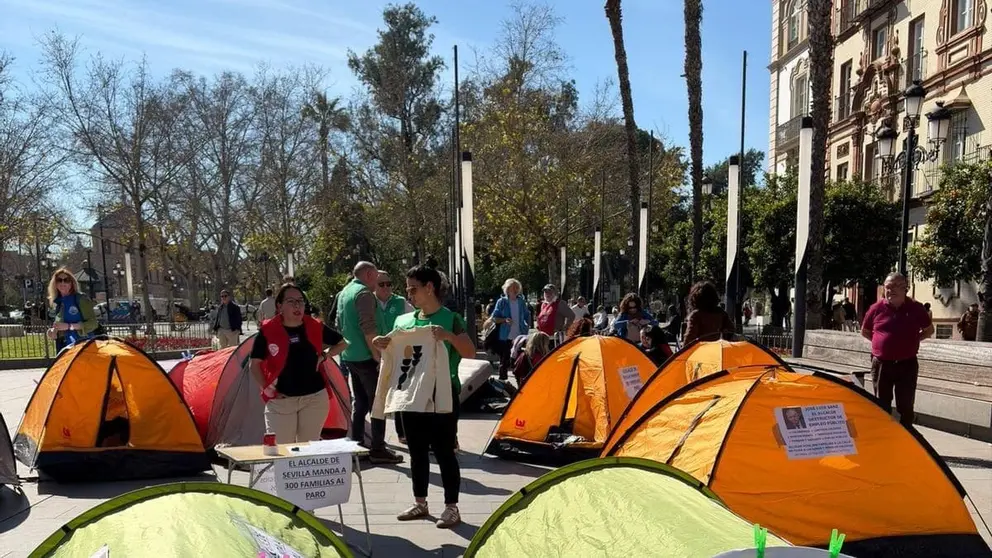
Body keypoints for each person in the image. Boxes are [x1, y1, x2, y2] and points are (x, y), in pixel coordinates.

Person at [372, 265, 475, 529]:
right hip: (410, 395)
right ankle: (420, 502)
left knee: (444, 452)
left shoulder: (450, 318)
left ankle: (451, 508)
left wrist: (448, 336)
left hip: (442, 395)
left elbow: (469, 352)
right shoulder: (403, 322)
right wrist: (381, 344)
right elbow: (393, 352)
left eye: (413, 289)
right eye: (407, 289)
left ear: (430, 287)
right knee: (416, 452)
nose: (409, 295)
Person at [249, 283, 348, 443]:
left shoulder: (315, 326)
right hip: (281, 401)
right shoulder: (268, 330)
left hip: (314, 399)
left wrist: (324, 356)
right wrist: (267, 389)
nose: (297, 306)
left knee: (307, 450)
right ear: (279, 306)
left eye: (300, 301)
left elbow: (343, 343)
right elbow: (254, 365)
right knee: (281, 449)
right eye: (291, 301)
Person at [337, 262, 403, 464]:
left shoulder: (345, 292)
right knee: (378, 403)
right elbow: (368, 328)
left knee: (361, 402)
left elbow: (339, 322)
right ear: (368, 274)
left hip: (351, 355)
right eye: (376, 277)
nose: (378, 282)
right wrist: (377, 355)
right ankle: (378, 448)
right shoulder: (364, 294)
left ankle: (357, 444)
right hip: (366, 356)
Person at [861, 272, 933, 428]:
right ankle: (884, 434)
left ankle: (907, 434)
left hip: (907, 364)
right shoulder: (876, 308)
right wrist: (880, 343)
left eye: (895, 287)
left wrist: (913, 341)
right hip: (881, 364)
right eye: (887, 287)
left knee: (905, 405)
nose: (890, 290)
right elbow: (865, 331)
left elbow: (929, 330)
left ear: (904, 288)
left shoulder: (916, 308)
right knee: (881, 404)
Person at [374, 271, 415, 443]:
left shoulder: (400, 302)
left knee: (399, 392)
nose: (386, 287)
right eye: (381, 284)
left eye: (388, 284)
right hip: (374, 354)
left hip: (398, 355)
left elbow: (415, 319)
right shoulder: (369, 302)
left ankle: (402, 432)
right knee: (377, 396)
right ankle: (376, 440)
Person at [45, 268, 100, 352]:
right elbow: (59, 326)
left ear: (71, 283)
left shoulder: (81, 299)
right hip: (63, 347)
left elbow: (93, 323)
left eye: (66, 280)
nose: (62, 283)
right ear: (55, 284)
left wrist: (69, 326)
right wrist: (52, 332)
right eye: (59, 280)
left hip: (83, 346)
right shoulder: (58, 302)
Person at [490, 279, 531, 381]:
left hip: (519, 335)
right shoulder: (502, 302)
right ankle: (502, 382)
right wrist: (504, 320)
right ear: (507, 290)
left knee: (519, 360)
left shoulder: (521, 301)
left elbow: (527, 314)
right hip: (505, 335)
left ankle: (520, 381)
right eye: (513, 288)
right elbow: (494, 318)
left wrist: (527, 326)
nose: (515, 290)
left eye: (517, 288)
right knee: (504, 360)